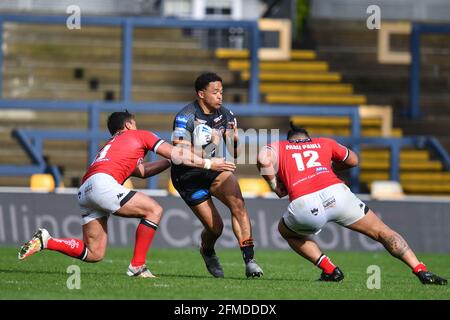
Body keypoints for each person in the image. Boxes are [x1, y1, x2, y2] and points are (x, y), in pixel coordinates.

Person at [18, 110, 235, 278]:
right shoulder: (139, 135)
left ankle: (47, 241)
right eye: (135, 123)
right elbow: (177, 152)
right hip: (103, 184)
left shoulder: (112, 145)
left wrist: (171, 161)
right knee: (154, 210)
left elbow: (142, 171)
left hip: (85, 189)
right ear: (129, 124)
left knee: (94, 253)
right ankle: (137, 267)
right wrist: (208, 162)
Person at [256, 122, 447, 285]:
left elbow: (262, 159)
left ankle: (330, 270)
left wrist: (274, 185)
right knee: (382, 232)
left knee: (286, 231)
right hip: (337, 194)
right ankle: (421, 269)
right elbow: (354, 160)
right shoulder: (323, 142)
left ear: (290, 139)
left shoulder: (280, 146)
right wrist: (330, 167)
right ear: (308, 138)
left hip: (305, 203)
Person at [170, 72, 263, 278]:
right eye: (215, 92)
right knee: (216, 229)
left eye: (221, 92)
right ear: (201, 94)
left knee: (238, 204)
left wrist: (234, 141)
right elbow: (179, 153)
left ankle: (250, 260)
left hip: (215, 171)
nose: (220, 96)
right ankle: (207, 250)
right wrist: (209, 148)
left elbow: (234, 152)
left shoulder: (227, 115)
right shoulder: (185, 117)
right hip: (188, 178)